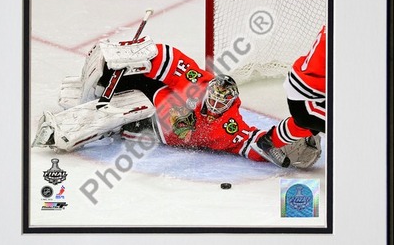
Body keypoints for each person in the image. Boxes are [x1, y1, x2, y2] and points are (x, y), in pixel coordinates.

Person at [32, 35, 321, 169]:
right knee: (120, 88)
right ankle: (103, 83)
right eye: (214, 99)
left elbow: (256, 144)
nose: (216, 106)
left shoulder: (230, 127)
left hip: (149, 130)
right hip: (152, 96)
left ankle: (70, 126)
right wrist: (139, 54)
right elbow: (171, 60)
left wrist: (295, 134)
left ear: (231, 103)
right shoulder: (198, 84)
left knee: (120, 118)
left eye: (223, 103)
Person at [251, 25, 326, 168]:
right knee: (345, 123)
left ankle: (270, 141)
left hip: (308, 90)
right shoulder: (345, 28)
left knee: (306, 121)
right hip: (309, 95)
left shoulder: (341, 19)